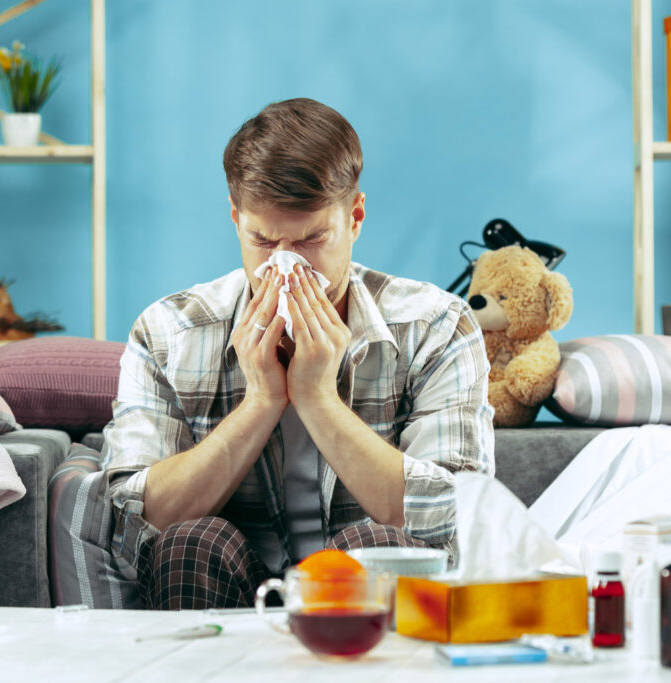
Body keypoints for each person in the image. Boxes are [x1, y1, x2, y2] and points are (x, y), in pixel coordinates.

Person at [102, 97, 495, 610]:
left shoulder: (436, 326)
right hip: (225, 580)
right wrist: (262, 400)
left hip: (364, 594)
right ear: (235, 220)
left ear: (354, 218)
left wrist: (316, 396)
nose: (285, 267)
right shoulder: (168, 331)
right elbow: (136, 524)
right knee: (187, 545)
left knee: (372, 551)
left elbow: (457, 516)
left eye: (312, 240)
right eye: (263, 241)